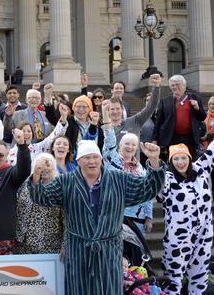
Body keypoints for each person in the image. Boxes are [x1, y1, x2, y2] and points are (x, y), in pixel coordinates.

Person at [28, 139, 165, 295]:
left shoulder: (119, 179)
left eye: (95, 157)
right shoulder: (66, 181)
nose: (92, 161)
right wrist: (36, 178)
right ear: (78, 161)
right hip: (78, 252)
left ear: (101, 159)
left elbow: (148, 188)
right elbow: (42, 197)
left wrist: (154, 161)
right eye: (87, 157)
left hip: (109, 252)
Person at [158, 143, 213, 294]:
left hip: (203, 235)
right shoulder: (167, 178)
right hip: (178, 239)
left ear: (189, 158)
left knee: (200, 276)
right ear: (170, 161)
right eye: (176, 159)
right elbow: (156, 181)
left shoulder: (201, 170)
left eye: (183, 158)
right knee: (173, 279)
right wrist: (153, 159)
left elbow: (212, 150)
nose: (180, 162)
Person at [101, 122, 152, 235]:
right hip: (115, 216)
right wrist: (107, 122)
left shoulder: (141, 169)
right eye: (127, 144)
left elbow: (148, 192)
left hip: (138, 217)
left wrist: (149, 216)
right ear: (120, 145)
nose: (130, 147)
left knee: (136, 251)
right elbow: (109, 140)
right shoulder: (112, 160)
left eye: (133, 145)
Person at [15, 153, 64, 255]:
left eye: (47, 165)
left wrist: (65, 245)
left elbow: (66, 220)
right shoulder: (25, 185)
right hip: (22, 244)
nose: (43, 168)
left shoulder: (59, 188)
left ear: (53, 168)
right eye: (40, 165)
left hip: (49, 246)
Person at [153, 74, 207, 158]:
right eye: (172, 85)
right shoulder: (165, 101)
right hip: (171, 138)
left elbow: (202, 117)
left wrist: (197, 108)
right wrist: (155, 139)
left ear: (184, 86)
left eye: (177, 84)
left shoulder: (194, 98)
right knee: (173, 161)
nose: (175, 87)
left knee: (190, 162)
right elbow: (158, 122)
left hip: (190, 138)